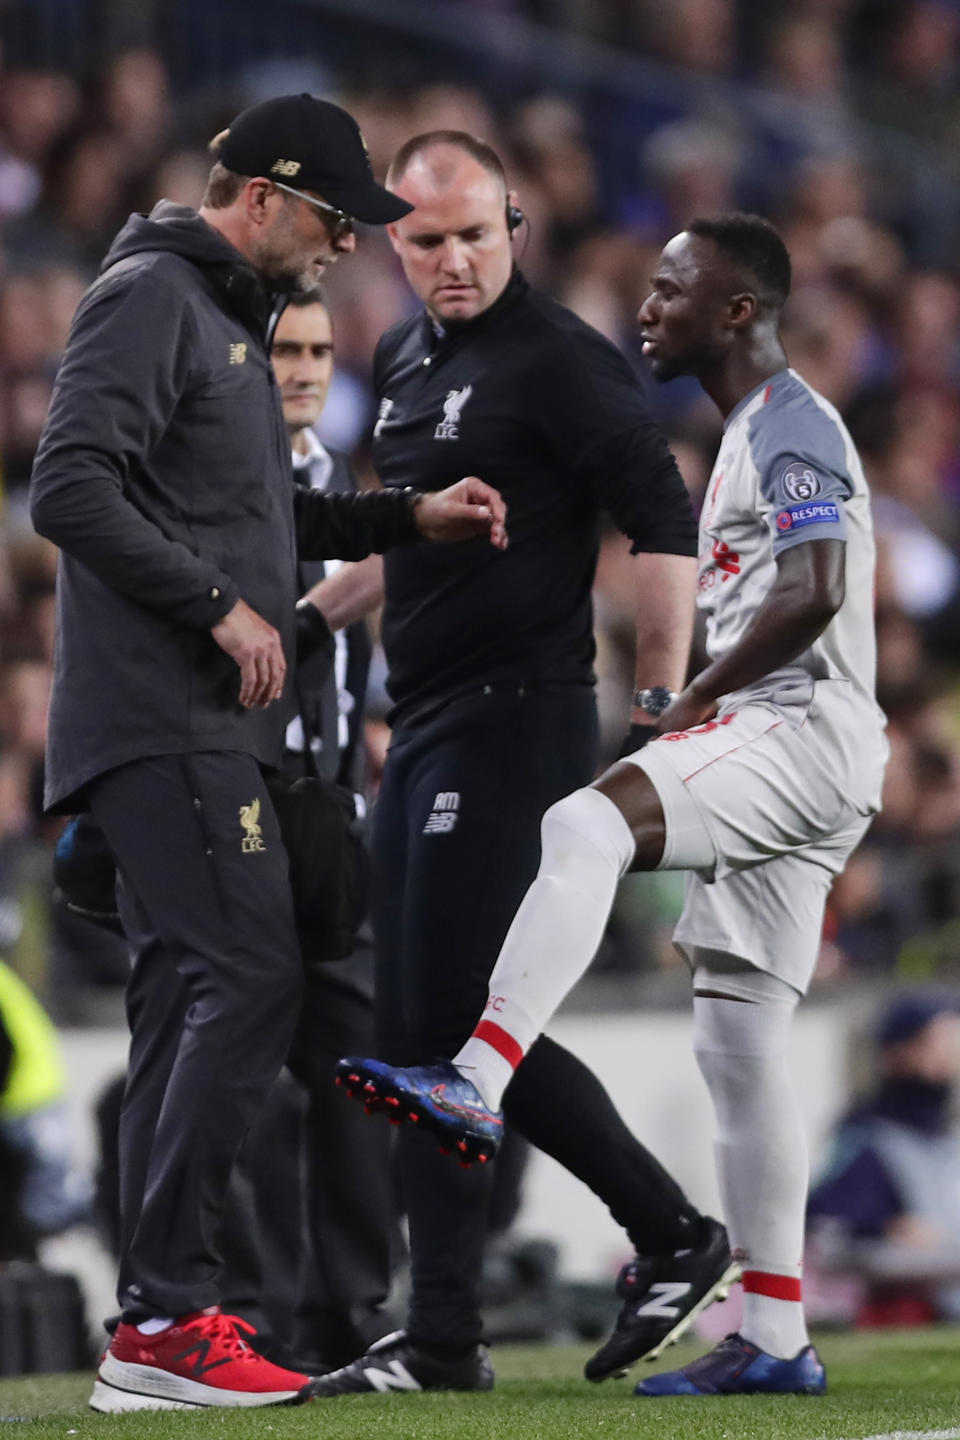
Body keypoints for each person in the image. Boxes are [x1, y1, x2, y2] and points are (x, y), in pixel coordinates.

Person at [340, 212, 889, 1398]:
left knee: (583, 821)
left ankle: (476, 1082)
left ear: (738, 311)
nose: (648, 305)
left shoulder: (796, 424)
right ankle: (776, 1337)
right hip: (795, 741)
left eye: (672, 288)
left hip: (794, 731)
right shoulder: (745, 431)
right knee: (738, 1039)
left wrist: (690, 695)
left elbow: (818, 586)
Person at [28, 92, 506, 1414]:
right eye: (339, 219)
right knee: (247, 977)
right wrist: (222, 607)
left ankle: (157, 1324)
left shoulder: (215, 322)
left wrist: (409, 516)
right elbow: (69, 486)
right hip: (163, 715)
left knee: (202, 992)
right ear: (268, 200)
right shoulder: (152, 300)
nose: (350, 246)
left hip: (192, 721)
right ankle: (168, 1319)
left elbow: (273, 514)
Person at [312, 131, 737, 1400]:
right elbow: (422, 535)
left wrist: (659, 700)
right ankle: (546, 1283)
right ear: (395, 241)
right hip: (429, 712)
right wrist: (311, 613)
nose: (452, 262)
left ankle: (493, 1308)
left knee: (448, 1031)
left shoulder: (559, 361)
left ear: (516, 230)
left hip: (520, 717)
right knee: (422, 1028)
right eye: (428, 241)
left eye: (474, 237)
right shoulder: (400, 358)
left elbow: (662, 517)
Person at [217, 289, 401, 1371]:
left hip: (329, 817)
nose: (304, 368)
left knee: (354, 1073)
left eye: (321, 350)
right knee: (223, 1078)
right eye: (285, 349)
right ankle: (233, 1311)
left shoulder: (344, 491)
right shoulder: (219, 486)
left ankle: (351, 1311)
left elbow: (353, 681)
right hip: (237, 809)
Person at [808, 990, 960, 1326]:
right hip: (905, 1305)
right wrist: (884, 1226)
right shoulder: (865, 1134)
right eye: (938, 1043)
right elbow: (824, 1212)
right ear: (898, 1052)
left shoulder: (946, 1136)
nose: (951, 1057)